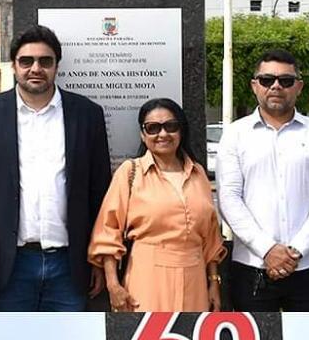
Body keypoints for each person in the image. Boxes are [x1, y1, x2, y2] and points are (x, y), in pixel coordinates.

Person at [0, 25, 111, 311]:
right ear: (14, 66)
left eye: (45, 61)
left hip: (70, 265)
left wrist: (98, 259)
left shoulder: (87, 114)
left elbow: (99, 192)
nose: (35, 68)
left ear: (57, 65)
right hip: (9, 265)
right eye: (26, 61)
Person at [216, 50, 309, 312]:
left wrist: (295, 251)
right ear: (254, 85)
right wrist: (267, 249)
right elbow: (228, 199)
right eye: (267, 79)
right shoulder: (235, 135)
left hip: (308, 266)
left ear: (299, 87)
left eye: (285, 80)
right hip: (252, 267)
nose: (275, 86)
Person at [88, 98, 225, 312]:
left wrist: (214, 283)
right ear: (143, 134)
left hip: (195, 279)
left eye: (170, 126)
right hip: (147, 277)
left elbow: (211, 237)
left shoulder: (198, 174)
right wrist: (113, 285)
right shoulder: (130, 172)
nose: (162, 134)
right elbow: (108, 231)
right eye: (152, 128)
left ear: (181, 130)